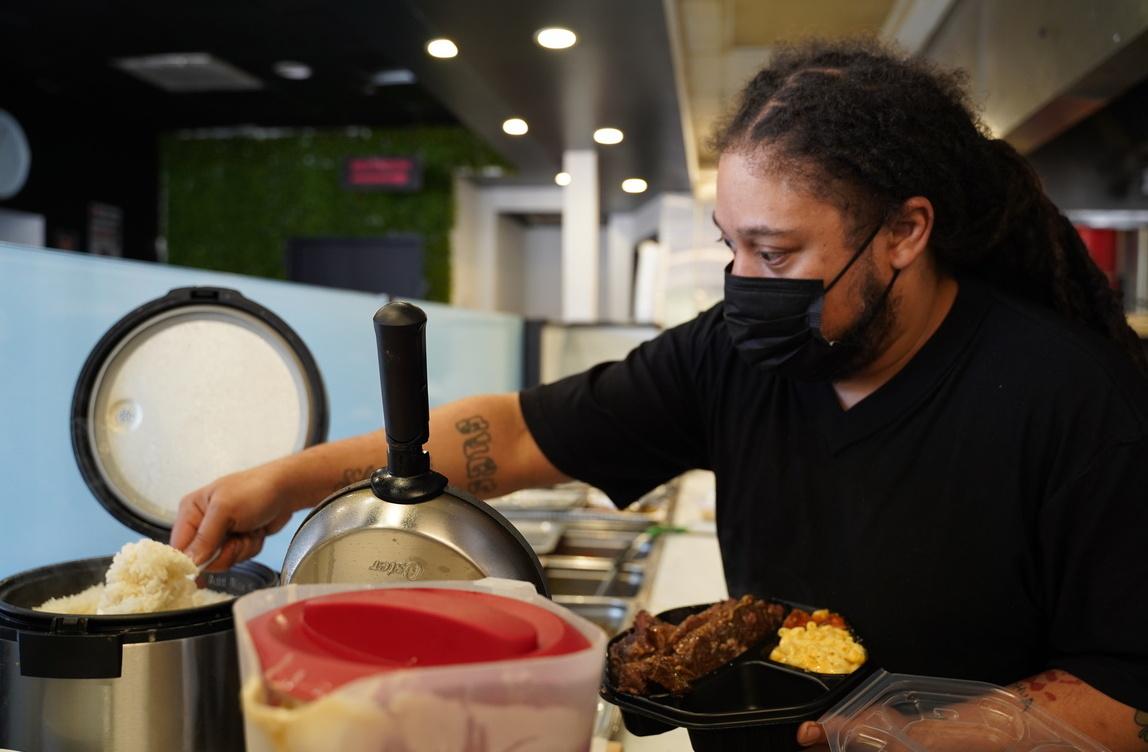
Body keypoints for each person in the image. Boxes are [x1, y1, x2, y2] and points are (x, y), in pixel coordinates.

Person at [172, 40, 1148, 749]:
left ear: (902, 230)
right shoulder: (731, 355)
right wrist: (292, 479)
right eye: (733, 247)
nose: (743, 283)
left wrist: (913, 734)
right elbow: (511, 434)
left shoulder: (1071, 400)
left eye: (776, 252)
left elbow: (1124, 688)